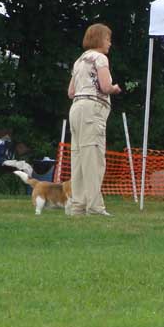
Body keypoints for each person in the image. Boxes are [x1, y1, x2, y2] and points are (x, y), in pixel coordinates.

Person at [67, 23, 121, 216]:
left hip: (76, 109)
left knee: (78, 157)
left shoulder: (79, 60)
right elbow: (105, 87)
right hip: (92, 110)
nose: (110, 43)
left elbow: (71, 92)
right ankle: (95, 207)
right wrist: (115, 88)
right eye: (108, 39)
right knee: (94, 158)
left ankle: (78, 205)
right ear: (99, 39)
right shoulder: (100, 59)